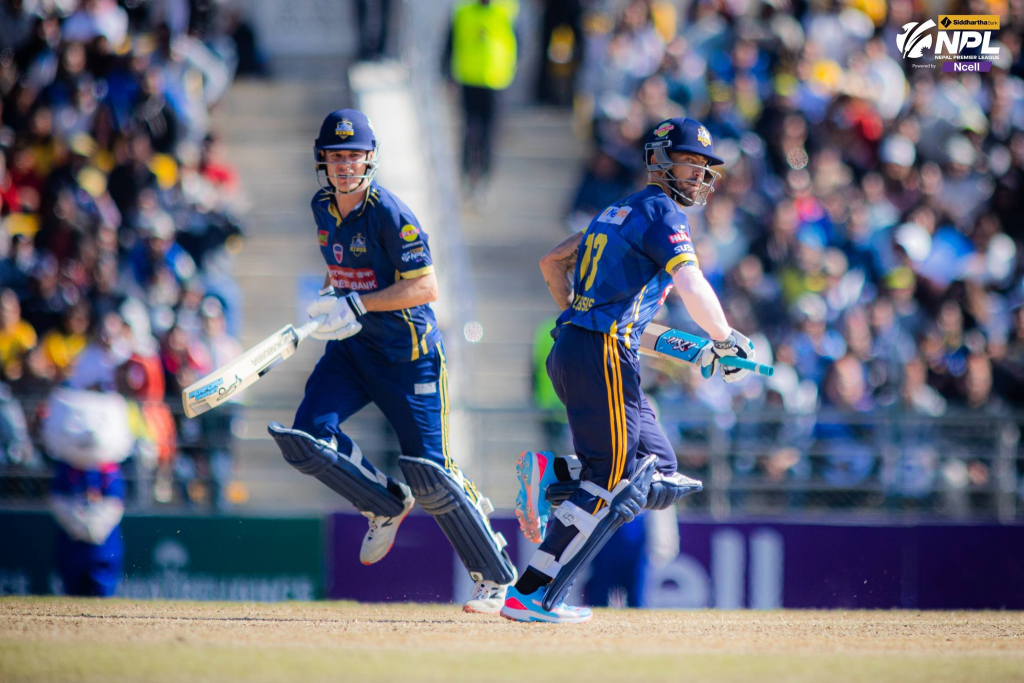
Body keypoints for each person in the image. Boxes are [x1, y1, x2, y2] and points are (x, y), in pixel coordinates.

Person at [502, 117, 751, 623]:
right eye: (689, 161)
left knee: (658, 470)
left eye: (704, 165)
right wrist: (725, 337)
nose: (699, 173)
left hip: (583, 345)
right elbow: (690, 283)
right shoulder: (662, 212)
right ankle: (530, 595)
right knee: (610, 480)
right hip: (603, 354)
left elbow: (554, 263)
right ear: (659, 160)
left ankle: (553, 472)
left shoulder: (616, 211)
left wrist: (700, 348)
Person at [267, 109, 516, 613]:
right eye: (336, 156)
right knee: (306, 439)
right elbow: (341, 265)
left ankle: (494, 576)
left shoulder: (391, 213)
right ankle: (383, 504)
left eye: (354, 155)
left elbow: (426, 287)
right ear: (322, 160)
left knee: (430, 472)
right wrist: (330, 296)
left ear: (370, 159)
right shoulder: (321, 206)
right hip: (354, 350)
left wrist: (357, 304)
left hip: (410, 358)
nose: (345, 165)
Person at [445, 0, 518, 209]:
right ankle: (468, 181)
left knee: (488, 137)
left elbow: (517, 42)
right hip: (471, 79)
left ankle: (483, 183)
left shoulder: (505, 10)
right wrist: (448, 75)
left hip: (495, 80)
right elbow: (450, 43)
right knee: (470, 134)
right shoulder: (464, 11)